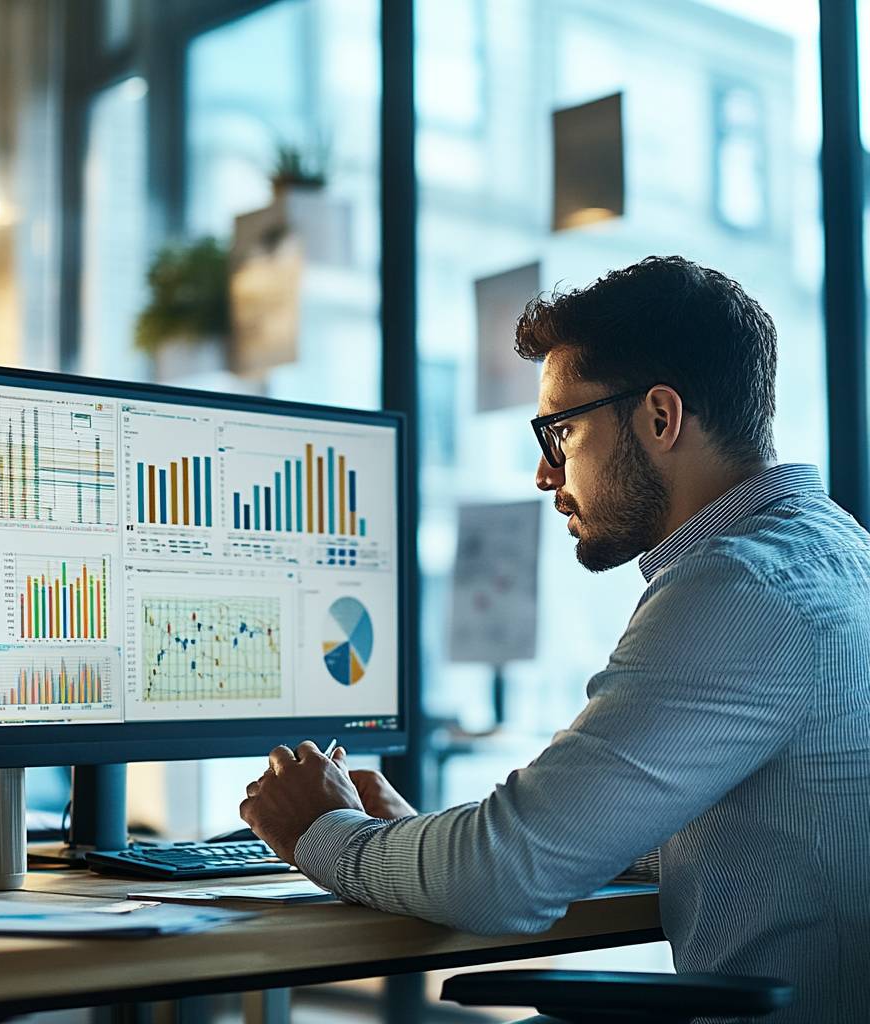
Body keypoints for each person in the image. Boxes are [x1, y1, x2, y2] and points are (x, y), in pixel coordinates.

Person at [239, 256, 870, 1023]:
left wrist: (319, 830)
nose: (546, 475)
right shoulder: (838, 555)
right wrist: (410, 842)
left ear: (660, 418)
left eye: (561, 431)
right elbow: (703, 831)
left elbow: (504, 877)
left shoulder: (739, 588)